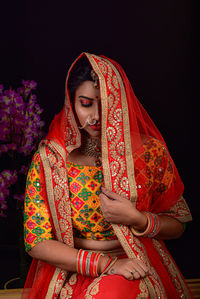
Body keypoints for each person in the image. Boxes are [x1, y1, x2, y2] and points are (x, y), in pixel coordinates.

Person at [22, 53, 193, 298]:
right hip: (71, 270)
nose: (96, 116)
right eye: (86, 103)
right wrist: (105, 265)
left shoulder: (147, 152)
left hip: (134, 265)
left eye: (105, 103)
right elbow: (36, 241)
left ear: (120, 101)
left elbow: (178, 224)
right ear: (72, 103)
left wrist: (138, 219)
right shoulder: (51, 159)